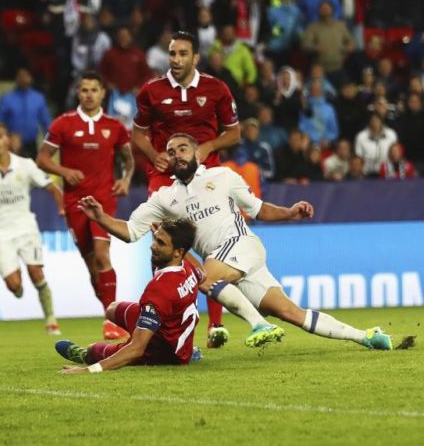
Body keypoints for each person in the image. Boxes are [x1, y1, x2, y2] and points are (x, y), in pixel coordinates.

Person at [78, 133, 393, 351]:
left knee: (203, 276)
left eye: (183, 149)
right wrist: (100, 217)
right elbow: (132, 231)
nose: (177, 155)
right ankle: (366, 336)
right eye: (171, 152)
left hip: (242, 245)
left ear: (197, 153)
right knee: (291, 313)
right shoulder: (163, 198)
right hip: (229, 262)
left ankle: (259, 326)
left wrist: (291, 212)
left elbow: (258, 209)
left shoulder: (223, 178)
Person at [130, 31, 240, 348]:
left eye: (182, 54)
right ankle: (168, 324)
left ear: (195, 58)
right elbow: (137, 135)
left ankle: (215, 325)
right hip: (165, 177)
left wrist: (209, 145)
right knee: (162, 244)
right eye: (172, 53)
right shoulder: (151, 91)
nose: (176, 59)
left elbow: (234, 134)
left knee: (210, 247)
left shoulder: (216, 89)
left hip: (206, 177)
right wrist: (154, 155)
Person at [36, 71, 134, 341]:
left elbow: (128, 160)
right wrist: (64, 171)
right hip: (75, 203)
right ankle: (110, 312)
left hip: (103, 201)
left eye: (94, 90)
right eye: (84, 90)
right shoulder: (63, 124)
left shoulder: (115, 126)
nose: (89, 94)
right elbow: (42, 159)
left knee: (103, 255)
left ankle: (111, 320)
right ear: (78, 93)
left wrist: (125, 180)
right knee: (92, 266)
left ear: (103, 93)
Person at [55, 218, 203, 374]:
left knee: (93, 350)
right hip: (174, 329)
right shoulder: (188, 267)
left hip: (160, 351)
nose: (153, 246)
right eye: (155, 239)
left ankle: (85, 355)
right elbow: (203, 274)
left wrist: (87, 370)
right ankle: (183, 348)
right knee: (112, 309)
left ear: (178, 252)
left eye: (161, 243)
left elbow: (137, 349)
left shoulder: (159, 289)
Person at [0, 123, 64, 335]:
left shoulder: (25, 165)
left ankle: (51, 319)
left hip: (26, 227)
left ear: (7, 140)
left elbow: (52, 187)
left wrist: (62, 207)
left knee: (36, 272)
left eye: (0, 136)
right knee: (14, 285)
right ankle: (17, 287)